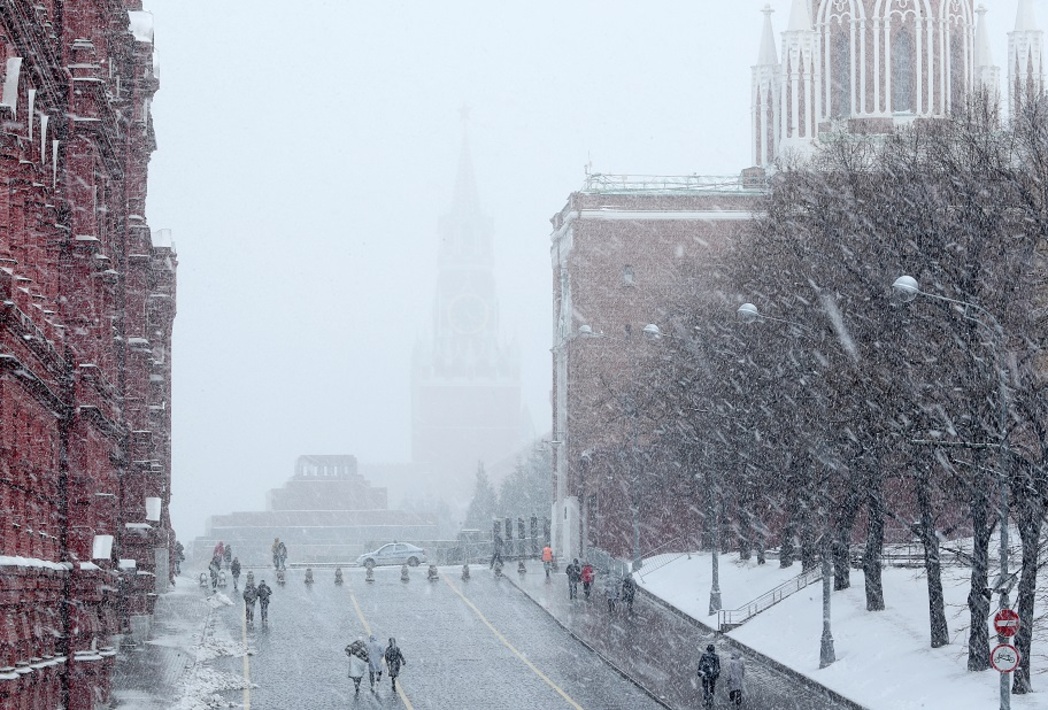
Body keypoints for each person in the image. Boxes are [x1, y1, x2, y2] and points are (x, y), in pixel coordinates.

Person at [697, 643, 721, 708]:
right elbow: (718, 667)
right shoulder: (716, 657)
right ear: (714, 650)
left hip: (705, 675)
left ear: (707, 650)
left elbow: (700, 665)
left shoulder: (704, 656)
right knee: (712, 688)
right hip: (712, 675)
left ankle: (706, 700)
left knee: (705, 688)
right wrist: (717, 674)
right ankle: (711, 700)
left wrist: (699, 672)